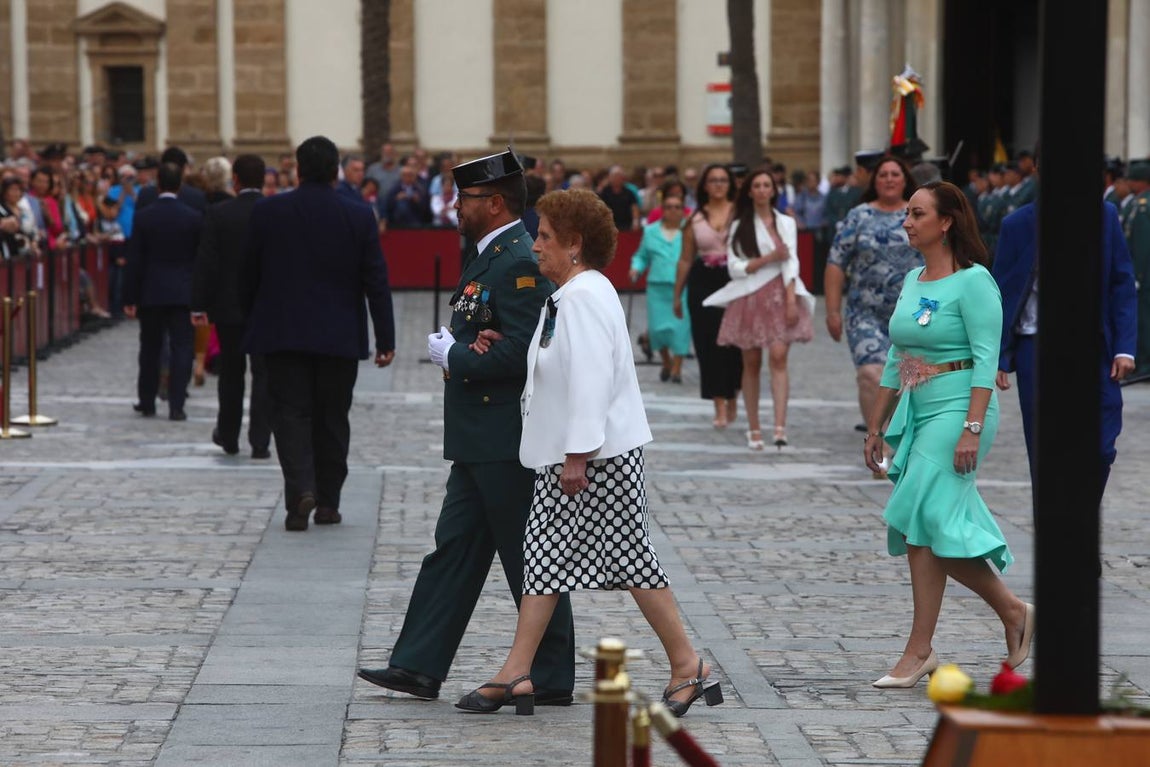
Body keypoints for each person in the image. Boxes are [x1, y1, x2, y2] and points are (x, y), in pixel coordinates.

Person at [457, 188, 723, 717]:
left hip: (593, 458)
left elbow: (592, 379)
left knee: (625, 559)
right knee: (548, 558)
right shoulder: (574, 294)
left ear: (574, 245)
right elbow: (557, 366)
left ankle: (687, 664)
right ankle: (518, 672)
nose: (535, 246)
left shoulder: (585, 297)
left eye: (545, 237)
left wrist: (578, 453)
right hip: (577, 456)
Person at [357, 149, 575, 705]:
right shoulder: (491, 255)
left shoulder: (517, 261)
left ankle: (550, 675)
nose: (457, 206)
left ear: (495, 203)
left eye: (467, 198)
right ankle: (417, 665)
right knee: (453, 549)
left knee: (530, 553)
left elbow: (526, 353)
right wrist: (465, 346)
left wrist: (457, 355)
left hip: (506, 436)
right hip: (479, 436)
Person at [863, 181, 1033, 688]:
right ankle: (1012, 611)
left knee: (924, 515)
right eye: (907, 214)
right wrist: (877, 424)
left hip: (963, 407)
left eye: (917, 214)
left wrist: (971, 429)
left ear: (947, 222)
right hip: (921, 407)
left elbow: (987, 359)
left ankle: (920, 650)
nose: (907, 222)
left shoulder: (976, 281)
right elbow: (898, 358)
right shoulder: (914, 279)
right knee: (927, 525)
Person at [240, 135, 396, 531]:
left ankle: (299, 492)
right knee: (332, 418)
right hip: (338, 337)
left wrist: (250, 323)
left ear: (297, 168)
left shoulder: (268, 212)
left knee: (289, 416)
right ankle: (328, 501)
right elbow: (375, 280)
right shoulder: (358, 215)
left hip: (282, 333)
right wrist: (386, 338)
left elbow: (247, 275)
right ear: (335, 172)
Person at [993, 166, 1137, 501]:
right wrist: (999, 354)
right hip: (1035, 346)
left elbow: (1121, 283)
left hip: (1093, 346)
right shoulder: (1017, 225)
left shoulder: (1105, 215)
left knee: (1100, 444)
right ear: (1039, 170)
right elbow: (1002, 291)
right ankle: (1056, 538)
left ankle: (1080, 513)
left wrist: (1125, 348)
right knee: (1045, 447)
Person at [702, 167, 814, 450]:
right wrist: (768, 258)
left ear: (773, 190)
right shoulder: (740, 224)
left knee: (778, 357)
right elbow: (735, 266)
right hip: (750, 296)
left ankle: (779, 426)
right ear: (750, 191)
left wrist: (791, 299)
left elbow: (792, 261)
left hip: (780, 294)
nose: (763, 190)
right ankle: (754, 427)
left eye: (768, 185)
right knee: (751, 362)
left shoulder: (785, 223)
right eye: (758, 185)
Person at [825, 155, 921, 454]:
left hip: (912, 312)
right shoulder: (859, 216)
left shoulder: (919, 214)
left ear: (905, 179)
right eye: (883, 175)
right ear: (874, 180)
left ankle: (903, 440)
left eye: (895, 174)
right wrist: (831, 311)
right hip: (864, 312)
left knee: (909, 379)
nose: (890, 179)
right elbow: (836, 262)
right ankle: (876, 439)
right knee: (871, 375)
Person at [192, 154, 272, 460]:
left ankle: (228, 434)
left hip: (228, 306)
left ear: (235, 180)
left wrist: (199, 303)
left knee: (231, 374)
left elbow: (207, 262)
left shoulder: (219, 213)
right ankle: (261, 440)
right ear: (263, 179)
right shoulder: (273, 211)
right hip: (266, 307)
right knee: (263, 374)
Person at [123, 163, 203, 421]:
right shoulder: (193, 216)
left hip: (151, 290)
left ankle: (147, 400)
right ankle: (177, 404)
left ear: (158, 186)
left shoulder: (144, 215)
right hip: (182, 291)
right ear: (179, 186)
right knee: (182, 348)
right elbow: (198, 259)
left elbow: (135, 260)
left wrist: (130, 297)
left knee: (150, 348)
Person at [673, 164, 743, 428]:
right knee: (709, 345)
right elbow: (685, 259)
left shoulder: (741, 214)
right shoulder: (694, 220)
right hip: (703, 282)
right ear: (704, 185)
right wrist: (677, 294)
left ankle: (734, 394)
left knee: (735, 344)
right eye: (713, 180)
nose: (718, 185)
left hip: (735, 279)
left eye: (723, 180)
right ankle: (719, 405)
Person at [629, 183, 692, 383]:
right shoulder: (650, 232)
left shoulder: (689, 231)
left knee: (681, 329)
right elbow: (642, 255)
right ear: (662, 210)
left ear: (683, 210)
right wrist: (636, 268)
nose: (673, 211)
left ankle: (677, 368)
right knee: (657, 329)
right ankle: (666, 361)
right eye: (669, 207)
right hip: (657, 287)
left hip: (681, 287)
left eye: (677, 207)